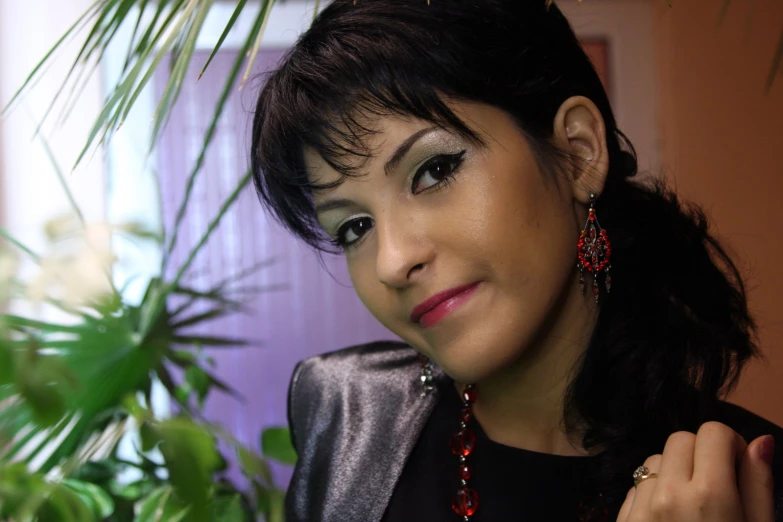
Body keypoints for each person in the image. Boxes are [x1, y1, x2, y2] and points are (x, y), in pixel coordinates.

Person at [249, 0, 783, 520]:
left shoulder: (748, 481)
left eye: (433, 170)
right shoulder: (346, 414)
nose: (392, 261)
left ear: (578, 152)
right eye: (355, 227)